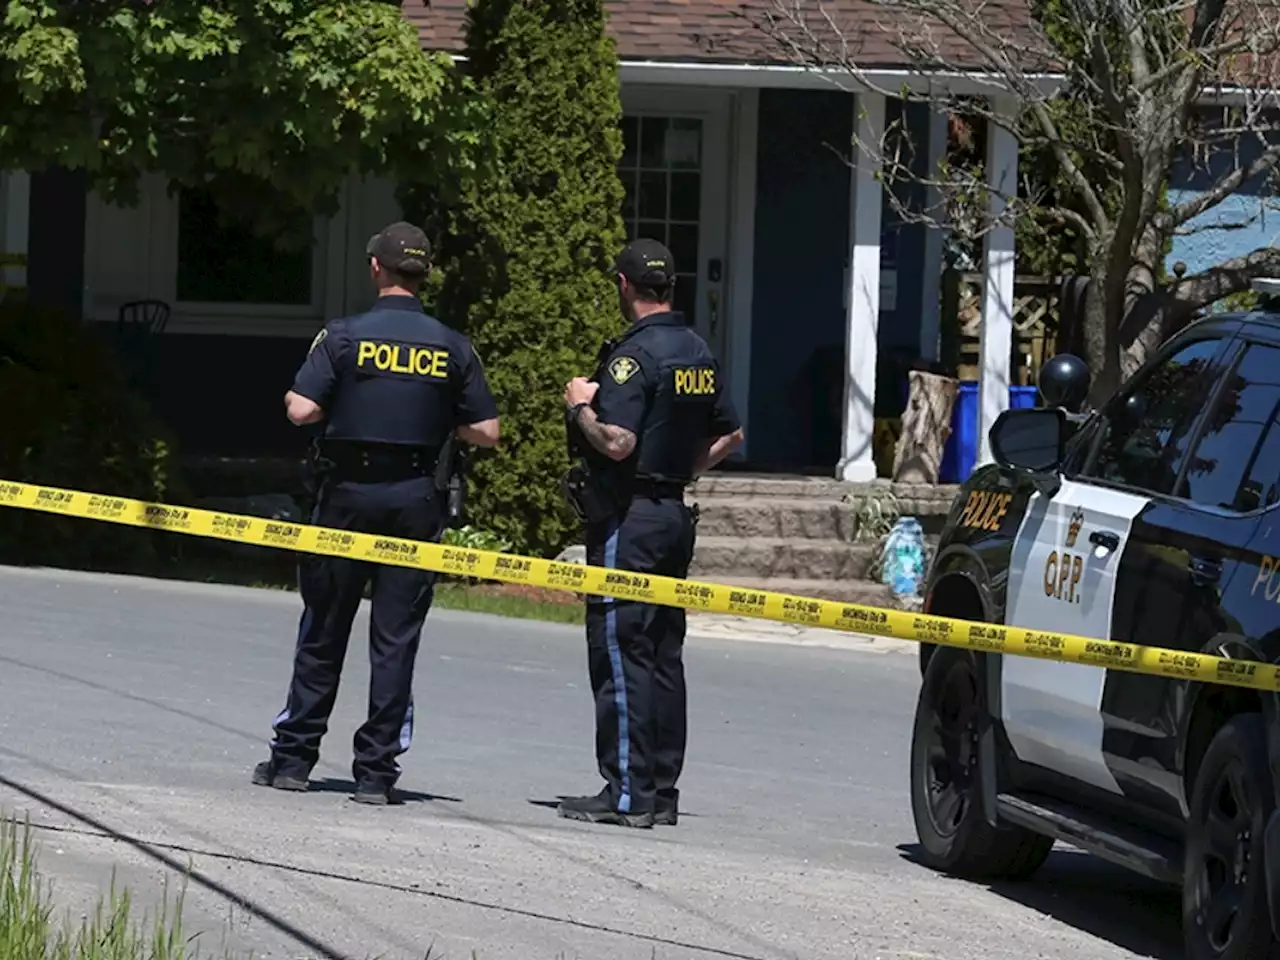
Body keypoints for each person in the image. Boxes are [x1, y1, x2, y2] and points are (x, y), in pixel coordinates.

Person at [252, 221, 500, 805]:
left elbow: (300, 411)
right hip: (416, 500)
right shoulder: (452, 345)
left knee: (323, 629)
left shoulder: (342, 337)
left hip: (347, 495)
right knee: (395, 640)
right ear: (425, 275)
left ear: (375, 269)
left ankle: (293, 761)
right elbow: (487, 432)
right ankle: (376, 773)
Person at [558, 238, 745, 829]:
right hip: (672, 516)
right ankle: (661, 790)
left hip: (629, 519)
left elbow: (618, 441)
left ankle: (625, 792)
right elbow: (732, 435)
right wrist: (685, 469)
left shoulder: (631, 359)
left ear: (623, 285)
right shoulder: (696, 351)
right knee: (663, 653)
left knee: (619, 650)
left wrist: (579, 407)